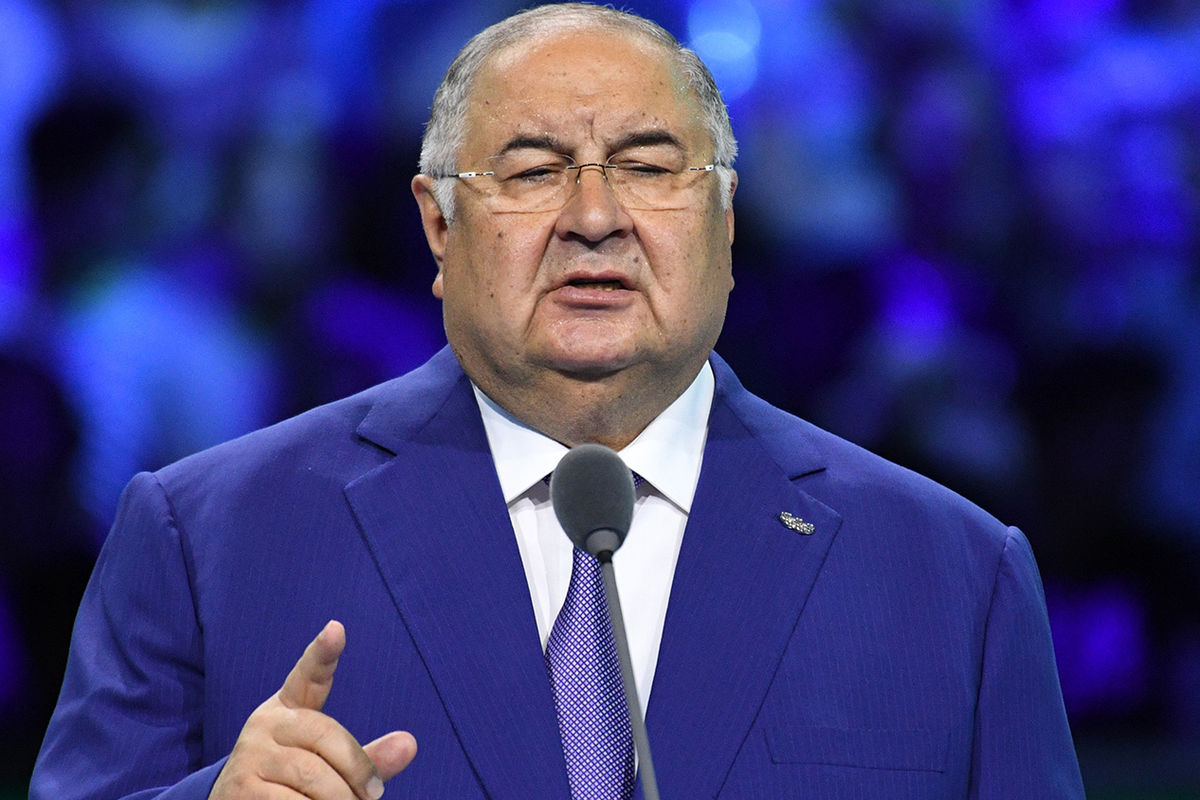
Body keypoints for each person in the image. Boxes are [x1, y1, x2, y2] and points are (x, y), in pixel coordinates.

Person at [31, 3, 1085, 798]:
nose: (593, 217)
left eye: (648, 167)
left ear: (725, 221)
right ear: (439, 227)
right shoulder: (201, 539)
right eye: (533, 171)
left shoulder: (956, 575)